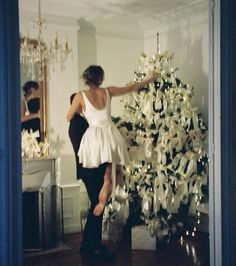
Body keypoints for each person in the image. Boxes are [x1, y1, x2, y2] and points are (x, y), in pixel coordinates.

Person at [66, 65, 158, 217]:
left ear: (86, 79)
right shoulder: (108, 91)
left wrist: (81, 109)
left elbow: (68, 117)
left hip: (94, 136)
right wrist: (150, 79)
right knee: (112, 168)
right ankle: (108, 182)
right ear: (101, 78)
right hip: (109, 132)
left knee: (100, 165)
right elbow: (131, 87)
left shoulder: (80, 96)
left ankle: (101, 196)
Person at [68, 93, 115, 261]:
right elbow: (91, 148)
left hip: (88, 169)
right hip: (90, 169)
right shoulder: (80, 123)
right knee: (97, 205)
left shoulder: (79, 122)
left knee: (96, 204)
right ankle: (92, 247)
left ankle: (90, 244)